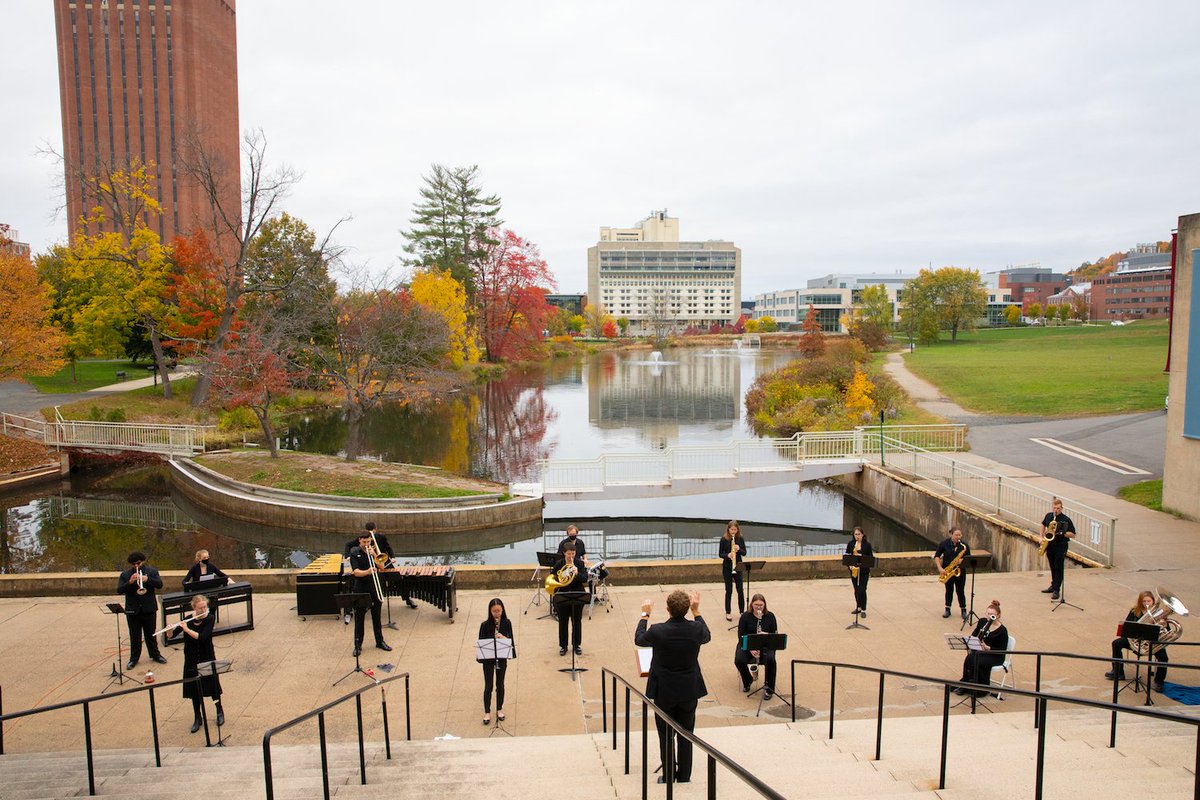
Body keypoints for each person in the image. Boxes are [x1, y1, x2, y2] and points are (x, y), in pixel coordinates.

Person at [635, 589, 711, 785]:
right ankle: (684, 776)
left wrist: (645, 614)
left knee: (665, 734)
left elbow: (639, 638)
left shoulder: (659, 630)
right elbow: (707, 635)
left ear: (667, 609)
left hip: (664, 691)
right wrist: (697, 611)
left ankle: (668, 775)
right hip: (688, 690)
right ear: (686, 609)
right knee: (686, 734)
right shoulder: (696, 629)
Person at [344, 522, 417, 612]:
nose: (371, 535)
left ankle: (407, 599)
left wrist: (392, 557)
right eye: (369, 533)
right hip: (369, 562)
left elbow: (388, 547)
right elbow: (348, 545)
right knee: (367, 582)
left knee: (398, 580)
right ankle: (367, 602)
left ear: (375, 529)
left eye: (372, 533)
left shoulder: (381, 537)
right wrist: (347, 556)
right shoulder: (363, 538)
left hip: (382, 560)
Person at [1107, 590, 1169, 692]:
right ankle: (1118, 672)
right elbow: (1127, 626)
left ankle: (1159, 681)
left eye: (1148, 601)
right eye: (1144, 601)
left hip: (1152, 642)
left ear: (1153, 601)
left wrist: (1164, 625)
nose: (1146, 603)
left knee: (1163, 657)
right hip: (1135, 641)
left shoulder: (1160, 614)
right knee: (1116, 644)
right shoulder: (1135, 611)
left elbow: (1168, 631)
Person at [180, 594, 224, 733]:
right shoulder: (187, 619)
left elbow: (203, 637)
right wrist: (169, 629)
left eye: (205, 606)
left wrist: (186, 630)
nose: (204, 609)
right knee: (194, 689)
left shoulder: (210, 618)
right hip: (191, 659)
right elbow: (171, 636)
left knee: (212, 687)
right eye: (200, 608)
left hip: (206, 656)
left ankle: (219, 711)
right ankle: (197, 717)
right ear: (194, 608)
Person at [117, 551, 167, 670]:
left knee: (151, 634)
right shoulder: (125, 574)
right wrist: (130, 582)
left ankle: (155, 655)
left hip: (148, 608)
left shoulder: (152, 572)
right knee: (135, 636)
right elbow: (119, 590)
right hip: (133, 610)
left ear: (142, 561)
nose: (136, 566)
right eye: (133, 564)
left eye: (138, 563)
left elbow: (159, 584)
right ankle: (134, 658)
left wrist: (147, 579)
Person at [348, 531, 392, 656]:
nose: (366, 544)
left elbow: (382, 567)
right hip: (361, 587)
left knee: (376, 616)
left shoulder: (373, 551)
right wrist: (367, 571)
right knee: (359, 618)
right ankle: (357, 645)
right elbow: (355, 572)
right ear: (359, 540)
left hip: (374, 585)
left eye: (368, 542)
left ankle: (380, 641)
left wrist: (374, 555)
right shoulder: (354, 552)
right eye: (364, 542)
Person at [956, 599, 1009, 698]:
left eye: (992, 615)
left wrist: (988, 648)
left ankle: (981, 689)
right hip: (981, 652)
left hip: (995, 656)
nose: (989, 617)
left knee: (977, 660)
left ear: (998, 615)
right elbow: (974, 635)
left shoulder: (1002, 631)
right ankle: (966, 685)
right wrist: (971, 645)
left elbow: (1002, 650)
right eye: (988, 614)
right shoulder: (982, 622)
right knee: (969, 658)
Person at [477, 598, 516, 725]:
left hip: (501, 657)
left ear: (502, 610)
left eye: (499, 611)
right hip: (489, 659)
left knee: (500, 684)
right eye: (494, 611)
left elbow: (511, 642)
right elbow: (481, 642)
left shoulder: (506, 623)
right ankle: (487, 711)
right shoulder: (485, 625)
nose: (496, 614)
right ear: (490, 611)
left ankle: (499, 709)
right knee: (488, 685)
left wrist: (503, 638)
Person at [734, 593, 778, 696]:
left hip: (766, 645)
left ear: (764, 605)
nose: (758, 607)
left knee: (771, 660)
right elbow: (741, 635)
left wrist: (766, 634)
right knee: (739, 660)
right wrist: (750, 649)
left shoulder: (770, 616)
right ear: (752, 605)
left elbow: (775, 635)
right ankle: (748, 680)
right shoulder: (745, 616)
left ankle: (769, 689)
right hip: (748, 644)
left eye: (761, 605)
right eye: (756, 605)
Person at [552, 544, 588, 656]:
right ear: (564, 553)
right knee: (563, 622)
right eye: (568, 554)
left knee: (576, 621)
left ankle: (576, 645)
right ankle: (563, 646)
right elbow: (553, 578)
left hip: (577, 594)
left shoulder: (580, 563)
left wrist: (576, 573)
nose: (571, 556)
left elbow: (585, 578)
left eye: (573, 553)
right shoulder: (559, 564)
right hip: (562, 594)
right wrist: (565, 573)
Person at [1041, 498, 1076, 600]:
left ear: (1062, 508)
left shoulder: (1066, 520)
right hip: (1050, 545)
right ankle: (1053, 585)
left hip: (1061, 545)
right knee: (1052, 566)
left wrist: (1062, 533)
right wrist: (1040, 536)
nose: (1056, 510)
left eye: (1058, 508)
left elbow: (1073, 534)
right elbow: (1043, 524)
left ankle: (1057, 590)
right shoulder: (1049, 516)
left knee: (1058, 567)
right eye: (1055, 508)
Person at [933, 528, 970, 620]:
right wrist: (940, 568)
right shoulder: (944, 544)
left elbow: (968, 557)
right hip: (948, 571)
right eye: (956, 535)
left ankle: (963, 610)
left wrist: (962, 560)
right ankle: (947, 609)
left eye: (959, 535)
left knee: (960, 591)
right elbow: (937, 556)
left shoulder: (964, 545)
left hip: (960, 571)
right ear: (951, 534)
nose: (958, 537)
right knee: (949, 590)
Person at [718, 520, 747, 621]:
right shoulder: (724, 539)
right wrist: (728, 555)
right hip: (727, 567)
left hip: (738, 567)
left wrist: (739, 549)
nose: (733, 531)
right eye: (731, 529)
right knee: (728, 590)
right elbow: (720, 554)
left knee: (740, 590)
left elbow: (744, 553)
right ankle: (728, 612)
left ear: (737, 529)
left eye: (735, 529)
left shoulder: (740, 539)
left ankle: (742, 611)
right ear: (728, 529)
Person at [845, 526, 874, 616]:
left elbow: (870, 558)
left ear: (862, 535)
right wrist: (849, 565)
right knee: (856, 590)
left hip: (864, 571)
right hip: (854, 570)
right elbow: (847, 555)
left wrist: (862, 556)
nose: (857, 536)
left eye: (859, 534)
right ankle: (858, 606)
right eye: (855, 534)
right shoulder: (851, 543)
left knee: (862, 590)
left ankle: (863, 609)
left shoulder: (867, 545)